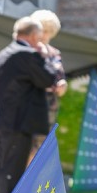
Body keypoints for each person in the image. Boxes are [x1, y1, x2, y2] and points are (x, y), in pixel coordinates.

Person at [0, 16, 58, 193]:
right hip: (20, 123)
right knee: (13, 168)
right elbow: (48, 78)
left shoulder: (2, 54)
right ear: (35, 36)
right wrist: (44, 56)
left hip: (1, 120)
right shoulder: (27, 55)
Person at [27, 9, 67, 164]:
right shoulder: (29, 51)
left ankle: (29, 182)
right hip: (30, 103)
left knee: (40, 147)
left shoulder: (55, 53)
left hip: (48, 107)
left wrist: (62, 85)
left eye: (48, 32)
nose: (44, 35)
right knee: (26, 146)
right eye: (43, 31)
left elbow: (60, 78)